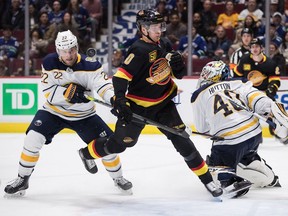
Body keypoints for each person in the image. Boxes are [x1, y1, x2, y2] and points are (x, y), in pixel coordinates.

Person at [78, 9, 225, 198]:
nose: (159, 30)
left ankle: (208, 181)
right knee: (120, 144)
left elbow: (176, 73)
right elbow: (121, 77)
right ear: (143, 29)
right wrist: (121, 100)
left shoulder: (164, 43)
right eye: (155, 27)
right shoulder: (138, 50)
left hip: (163, 104)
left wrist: (178, 63)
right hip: (138, 108)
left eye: (160, 26)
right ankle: (87, 153)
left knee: (183, 142)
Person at [4, 30, 132, 196]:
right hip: (53, 112)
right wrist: (67, 94)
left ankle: (118, 178)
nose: (69, 54)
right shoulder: (49, 62)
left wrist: (114, 100)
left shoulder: (91, 64)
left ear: (77, 47)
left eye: (72, 49)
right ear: (58, 50)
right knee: (32, 139)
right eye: (64, 51)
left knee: (109, 147)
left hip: (84, 116)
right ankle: (22, 179)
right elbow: (48, 91)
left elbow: (102, 86)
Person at [191, 60, 284, 196]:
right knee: (246, 154)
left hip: (229, 141)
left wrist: (216, 129)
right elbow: (259, 100)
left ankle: (229, 180)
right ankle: (266, 174)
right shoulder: (238, 83)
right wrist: (273, 111)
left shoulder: (198, 95)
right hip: (254, 134)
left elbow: (202, 129)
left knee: (212, 165)